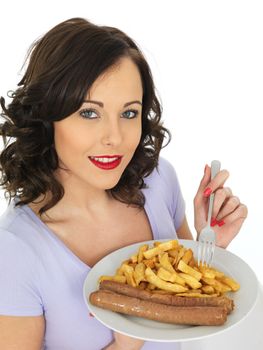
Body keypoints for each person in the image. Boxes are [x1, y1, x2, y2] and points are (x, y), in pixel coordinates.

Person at [0, 17, 247, 350]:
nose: (115, 138)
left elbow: (186, 304)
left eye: (129, 113)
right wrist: (125, 345)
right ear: (48, 117)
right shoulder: (16, 250)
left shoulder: (159, 181)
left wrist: (210, 249)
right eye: (89, 113)